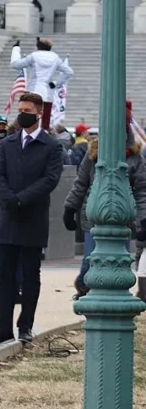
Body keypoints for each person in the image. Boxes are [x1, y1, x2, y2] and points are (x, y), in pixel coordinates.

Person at [0, 92, 65, 346]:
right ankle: (3, 328)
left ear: (39, 112)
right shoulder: (7, 144)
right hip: (8, 218)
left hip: (32, 218)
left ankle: (25, 325)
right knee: (5, 276)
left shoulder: (51, 146)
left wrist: (21, 199)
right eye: (20, 109)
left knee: (30, 276)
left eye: (27, 109)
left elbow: (50, 180)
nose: (22, 113)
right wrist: (8, 199)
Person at [64, 100, 146, 298]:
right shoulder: (93, 153)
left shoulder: (136, 157)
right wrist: (70, 207)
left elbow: (141, 191)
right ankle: (86, 286)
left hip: (122, 219)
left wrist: (142, 220)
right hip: (93, 216)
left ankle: (101, 294)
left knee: (118, 261)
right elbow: (81, 183)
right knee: (90, 260)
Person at [10, 37, 74, 130]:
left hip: (32, 93)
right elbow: (69, 72)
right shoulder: (55, 58)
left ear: (38, 46)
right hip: (48, 94)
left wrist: (16, 49)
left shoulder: (34, 56)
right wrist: (56, 83)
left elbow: (15, 64)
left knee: (27, 121)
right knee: (44, 124)